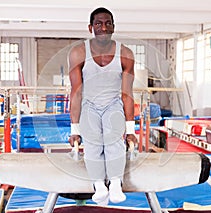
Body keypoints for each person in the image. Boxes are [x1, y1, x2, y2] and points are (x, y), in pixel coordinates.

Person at [68, 7, 137, 206]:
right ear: (91, 27)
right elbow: (76, 92)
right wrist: (75, 129)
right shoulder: (79, 52)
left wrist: (130, 130)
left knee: (114, 139)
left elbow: (127, 94)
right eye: (98, 23)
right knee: (93, 143)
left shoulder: (125, 53)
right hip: (89, 103)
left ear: (113, 27)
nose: (103, 28)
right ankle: (99, 185)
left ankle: (115, 184)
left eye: (108, 23)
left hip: (113, 103)